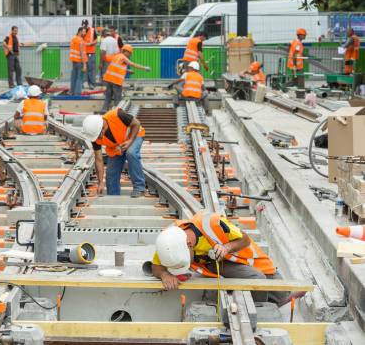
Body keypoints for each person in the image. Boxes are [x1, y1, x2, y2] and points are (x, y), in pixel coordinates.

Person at [151, 213, 300, 305]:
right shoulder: (169, 239)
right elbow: (156, 266)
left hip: (239, 257)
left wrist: (226, 248)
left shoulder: (213, 223)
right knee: (256, 278)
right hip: (212, 264)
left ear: (189, 244)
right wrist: (165, 275)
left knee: (267, 285)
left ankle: (260, 308)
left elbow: (245, 240)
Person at [81, 109, 146, 198]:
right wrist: (100, 183)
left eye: (99, 134)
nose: (99, 138)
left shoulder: (117, 115)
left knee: (131, 153)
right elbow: (99, 160)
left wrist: (130, 141)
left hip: (134, 135)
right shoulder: (95, 137)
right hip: (116, 146)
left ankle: (139, 188)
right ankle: (113, 197)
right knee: (111, 173)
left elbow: (136, 124)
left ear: (102, 127)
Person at [101, 44, 150, 113]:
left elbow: (116, 67)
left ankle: (103, 110)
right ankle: (117, 113)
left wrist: (127, 71)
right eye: (129, 53)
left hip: (108, 80)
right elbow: (133, 64)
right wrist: (144, 68)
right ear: (125, 51)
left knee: (108, 97)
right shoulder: (123, 57)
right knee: (117, 99)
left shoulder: (116, 56)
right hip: (116, 81)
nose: (130, 55)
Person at [69, 27, 87, 96]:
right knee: (80, 78)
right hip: (80, 62)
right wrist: (85, 64)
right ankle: (77, 93)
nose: (84, 33)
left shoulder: (73, 39)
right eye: (84, 31)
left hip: (74, 61)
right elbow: (82, 53)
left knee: (74, 77)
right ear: (80, 32)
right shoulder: (81, 41)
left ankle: (72, 92)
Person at [82, 19, 98, 89]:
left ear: (87, 24)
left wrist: (91, 43)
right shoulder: (81, 31)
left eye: (85, 24)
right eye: (83, 24)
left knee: (91, 69)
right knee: (84, 69)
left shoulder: (92, 30)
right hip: (83, 53)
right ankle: (84, 83)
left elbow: (96, 40)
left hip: (91, 53)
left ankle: (92, 84)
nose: (84, 26)